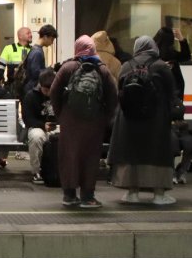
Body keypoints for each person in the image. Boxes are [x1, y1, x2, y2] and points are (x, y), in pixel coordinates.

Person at [49, 35, 119, 209]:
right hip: (94, 121)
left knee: (69, 155)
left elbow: (54, 91)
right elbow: (113, 94)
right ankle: (88, 197)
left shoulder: (68, 67)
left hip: (70, 119)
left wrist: (61, 114)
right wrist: (105, 116)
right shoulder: (102, 69)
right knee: (90, 156)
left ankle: (69, 195)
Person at [109, 35, 178, 205]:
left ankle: (132, 193)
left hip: (128, 120)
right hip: (156, 120)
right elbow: (171, 94)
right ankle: (159, 195)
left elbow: (119, 91)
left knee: (131, 153)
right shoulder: (161, 66)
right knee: (157, 154)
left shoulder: (126, 66)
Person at [22, 68, 58, 184]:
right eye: (45, 89)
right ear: (40, 85)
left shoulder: (59, 95)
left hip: (56, 126)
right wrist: (43, 125)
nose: (48, 92)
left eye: (50, 89)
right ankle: (36, 171)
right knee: (36, 137)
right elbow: (27, 119)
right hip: (37, 126)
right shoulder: (30, 96)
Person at [22, 24, 59, 95]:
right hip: (32, 89)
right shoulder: (37, 52)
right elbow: (36, 73)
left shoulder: (35, 49)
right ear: (45, 37)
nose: (52, 42)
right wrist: (50, 70)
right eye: (52, 39)